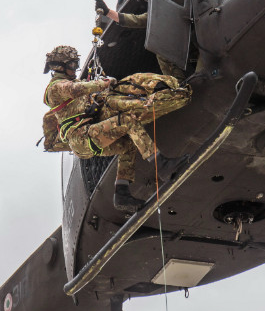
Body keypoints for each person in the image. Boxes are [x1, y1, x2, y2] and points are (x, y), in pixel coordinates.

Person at [43, 45, 186, 212]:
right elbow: (76, 89)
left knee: (128, 144)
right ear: (60, 67)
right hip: (82, 137)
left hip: (86, 138)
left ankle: (121, 192)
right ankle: (162, 165)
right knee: (127, 120)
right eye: (73, 64)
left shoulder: (69, 85)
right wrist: (104, 83)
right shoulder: (55, 88)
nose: (76, 68)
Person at [94, 0, 188, 82]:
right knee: (161, 50)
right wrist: (108, 12)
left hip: (201, 41)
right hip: (183, 48)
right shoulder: (158, 12)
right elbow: (137, 20)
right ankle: (178, 85)